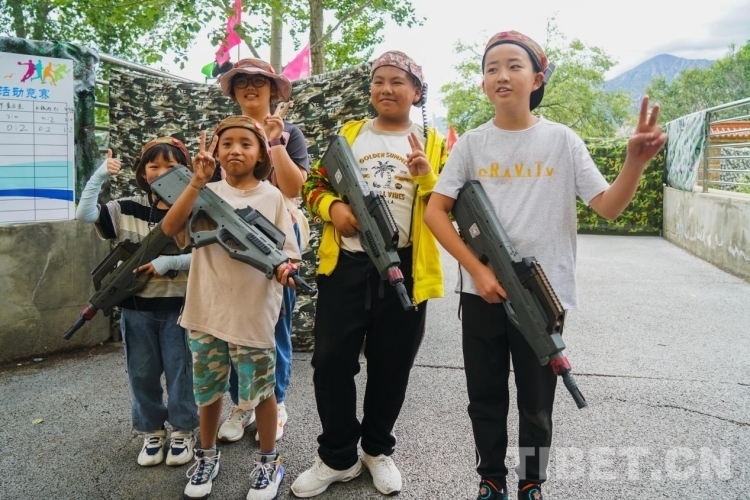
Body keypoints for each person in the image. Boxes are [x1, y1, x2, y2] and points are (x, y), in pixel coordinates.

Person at [423, 31, 667, 500]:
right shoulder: (471, 144)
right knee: (485, 397)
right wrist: (478, 270)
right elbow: (436, 211)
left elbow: (608, 206)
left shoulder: (562, 140)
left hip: (542, 296)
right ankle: (490, 480)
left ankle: (531, 482)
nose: (502, 75)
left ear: (537, 79)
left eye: (514, 65)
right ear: (483, 83)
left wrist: (634, 163)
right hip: (482, 294)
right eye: (492, 68)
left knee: (537, 404)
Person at [290, 50, 447, 498]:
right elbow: (313, 184)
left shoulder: (434, 142)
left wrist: (426, 177)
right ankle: (337, 456)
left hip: (406, 269)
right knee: (330, 363)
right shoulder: (350, 134)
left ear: (416, 91)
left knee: (392, 366)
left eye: (397, 81)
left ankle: (377, 450)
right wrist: (332, 208)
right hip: (346, 266)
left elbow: (449, 203)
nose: (386, 89)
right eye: (379, 80)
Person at [161, 116, 301, 500]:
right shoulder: (206, 193)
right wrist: (196, 182)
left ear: (261, 154)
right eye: (227, 143)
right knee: (207, 392)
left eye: (245, 143)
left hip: (253, 315)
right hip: (206, 310)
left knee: (262, 393)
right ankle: (206, 455)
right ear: (216, 151)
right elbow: (171, 229)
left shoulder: (272, 198)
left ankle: (269, 461)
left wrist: (287, 272)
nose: (235, 150)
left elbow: (289, 256)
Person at [75, 138, 198, 467]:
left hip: (181, 309)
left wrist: (169, 263)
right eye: (153, 166)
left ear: (186, 170)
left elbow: (208, 257)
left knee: (182, 373)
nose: (161, 172)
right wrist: (100, 174)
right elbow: (84, 213)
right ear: (142, 172)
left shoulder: (195, 208)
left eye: (171, 166)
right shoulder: (126, 207)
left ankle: (183, 430)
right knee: (142, 375)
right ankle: (152, 431)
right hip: (136, 310)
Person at [215, 58, 311, 444]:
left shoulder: (290, 133)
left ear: (273, 89)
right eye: (242, 82)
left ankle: (276, 400)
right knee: (231, 320)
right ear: (233, 91)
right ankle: (242, 403)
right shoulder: (223, 134)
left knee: (275, 320)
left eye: (259, 81)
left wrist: (274, 142)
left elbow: (294, 188)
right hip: (229, 236)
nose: (251, 88)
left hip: (278, 234)